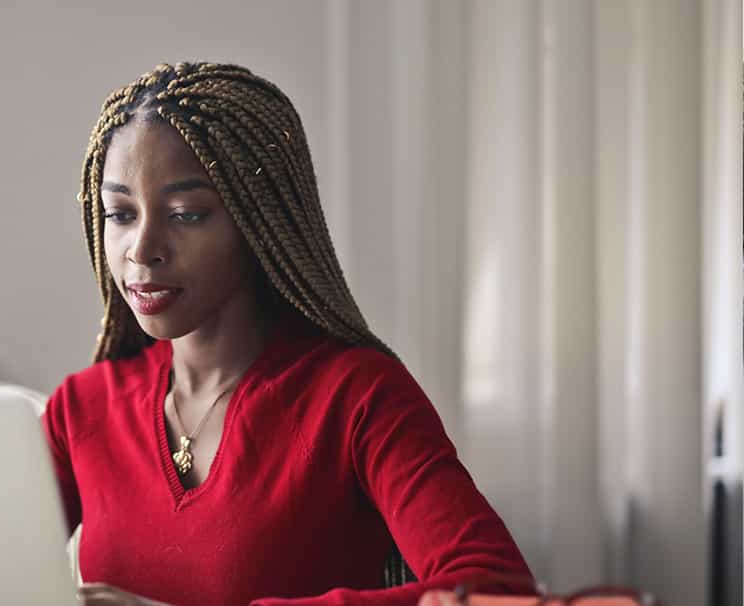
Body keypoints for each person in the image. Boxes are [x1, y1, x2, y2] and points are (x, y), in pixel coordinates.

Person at [42, 62, 532, 606]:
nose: (141, 248)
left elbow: (494, 591)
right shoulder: (80, 411)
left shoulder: (356, 396)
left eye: (185, 214)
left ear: (259, 221)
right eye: (120, 214)